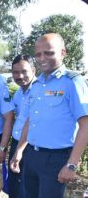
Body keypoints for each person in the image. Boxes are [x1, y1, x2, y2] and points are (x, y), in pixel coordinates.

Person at [10, 33, 88, 198]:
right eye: (38, 54)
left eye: (49, 53)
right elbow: (30, 121)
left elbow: (85, 124)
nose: (42, 58)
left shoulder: (73, 82)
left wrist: (72, 164)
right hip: (31, 155)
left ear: (63, 53)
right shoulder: (37, 84)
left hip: (56, 159)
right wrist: (19, 151)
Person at [8, 54, 36, 198]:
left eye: (24, 71)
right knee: (13, 186)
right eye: (15, 72)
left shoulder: (39, 91)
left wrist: (19, 151)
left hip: (30, 147)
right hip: (16, 143)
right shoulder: (18, 93)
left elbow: (31, 123)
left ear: (33, 70)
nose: (19, 76)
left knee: (27, 190)